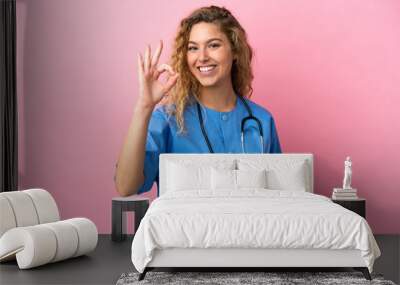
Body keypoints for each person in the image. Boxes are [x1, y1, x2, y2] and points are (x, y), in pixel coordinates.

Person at [115, 6, 281, 197]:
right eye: (193, 48)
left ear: (235, 51)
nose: (202, 57)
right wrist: (144, 106)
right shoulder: (167, 119)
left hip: (249, 226)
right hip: (183, 227)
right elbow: (126, 186)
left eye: (213, 45)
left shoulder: (261, 121)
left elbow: (277, 197)